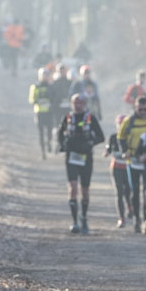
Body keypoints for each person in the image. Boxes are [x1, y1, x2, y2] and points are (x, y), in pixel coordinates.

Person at [57, 93, 106, 234]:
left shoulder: (90, 118)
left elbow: (101, 137)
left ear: (84, 104)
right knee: (72, 188)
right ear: (71, 104)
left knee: (85, 190)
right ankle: (74, 222)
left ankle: (84, 218)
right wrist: (62, 145)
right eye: (75, 103)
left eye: (80, 103)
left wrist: (91, 142)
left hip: (86, 157)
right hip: (71, 157)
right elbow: (60, 134)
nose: (77, 105)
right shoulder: (67, 118)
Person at [116, 97, 146, 233]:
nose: (143, 112)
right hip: (133, 161)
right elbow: (120, 137)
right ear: (135, 107)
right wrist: (124, 151)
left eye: (145, 109)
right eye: (140, 109)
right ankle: (137, 219)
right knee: (135, 191)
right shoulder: (128, 121)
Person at [104, 114, 132, 228]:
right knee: (119, 192)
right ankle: (121, 218)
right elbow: (108, 150)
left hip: (129, 168)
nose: (120, 127)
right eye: (119, 124)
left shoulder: (130, 137)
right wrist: (106, 152)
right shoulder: (113, 137)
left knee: (129, 191)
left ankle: (130, 207)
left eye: (123, 125)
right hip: (116, 167)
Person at [28, 67, 54, 158]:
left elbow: (54, 98)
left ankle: (49, 143)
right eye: (44, 75)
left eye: (47, 75)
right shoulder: (35, 86)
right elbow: (31, 99)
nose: (45, 77)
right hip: (39, 112)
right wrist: (38, 101)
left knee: (50, 131)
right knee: (41, 133)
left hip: (49, 112)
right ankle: (43, 151)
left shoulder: (51, 86)